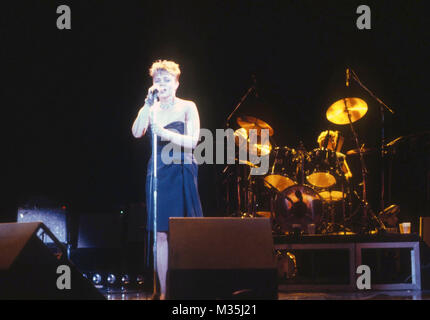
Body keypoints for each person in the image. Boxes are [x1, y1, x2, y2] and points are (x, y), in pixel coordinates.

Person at [132, 60, 203, 300]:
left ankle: (188, 289)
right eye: (157, 80)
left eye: (167, 80)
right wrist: (146, 104)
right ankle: (164, 291)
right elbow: (136, 132)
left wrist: (166, 133)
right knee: (160, 233)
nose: (161, 84)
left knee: (183, 231)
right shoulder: (150, 108)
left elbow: (193, 141)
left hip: (181, 167)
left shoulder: (187, 106)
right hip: (159, 171)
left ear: (176, 83)